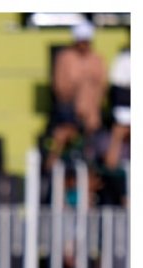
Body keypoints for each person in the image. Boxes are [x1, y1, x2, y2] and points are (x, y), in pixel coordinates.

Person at [46, 20, 108, 171]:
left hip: (91, 115)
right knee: (62, 135)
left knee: (95, 146)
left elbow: (102, 85)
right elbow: (60, 87)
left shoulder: (96, 59)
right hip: (68, 111)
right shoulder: (65, 58)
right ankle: (49, 168)